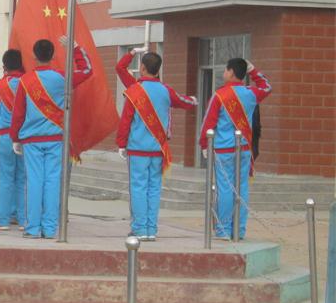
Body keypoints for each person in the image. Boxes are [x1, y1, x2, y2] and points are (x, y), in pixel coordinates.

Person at [10, 38, 92, 239]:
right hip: (55, 138)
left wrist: (15, 137)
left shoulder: (25, 81)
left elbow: (18, 113)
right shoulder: (62, 77)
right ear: (53, 55)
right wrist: (75, 48)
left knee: (34, 181)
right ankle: (49, 228)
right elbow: (87, 70)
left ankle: (32, 228)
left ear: (34, 56)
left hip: (31, 139)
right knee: (53, 181)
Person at [115, 47, 197, 241]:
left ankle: (139, 229)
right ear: (158, 69)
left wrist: (121, 143)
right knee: (154, 189)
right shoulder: (165, 90)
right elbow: (184, 102)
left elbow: (126, 120)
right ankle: (151, 230)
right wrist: (194, 100)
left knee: (138, 188)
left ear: (142, 68)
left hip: (137, 149)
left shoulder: (135, 90)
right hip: (158, 149)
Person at [199, 58, 271, 239]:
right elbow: (267, 87)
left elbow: (208, 123)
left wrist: (204, 144)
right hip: (244, 149)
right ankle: (239, 229)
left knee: (225, 189)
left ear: (231, 72)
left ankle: (223, 229)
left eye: (225, 70)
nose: (224, 73)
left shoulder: (219, 95)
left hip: (223, 150)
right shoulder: (251, 93)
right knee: (242, 188)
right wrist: (253, 71)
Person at [0, 49, 26, 230]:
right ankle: (23, 219)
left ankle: (2, 219)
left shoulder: (1, 84)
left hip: (5, 135)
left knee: (4, 178)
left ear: (5, 66)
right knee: (23, 179)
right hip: (25, 137)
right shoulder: (28, 83)